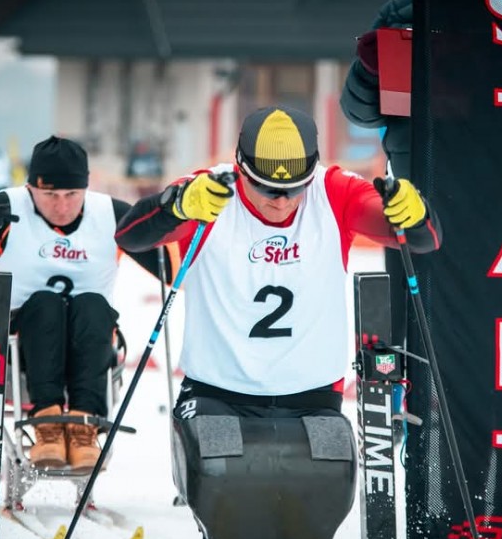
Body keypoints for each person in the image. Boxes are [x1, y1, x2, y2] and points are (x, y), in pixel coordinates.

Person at [340, 0, 502, 539]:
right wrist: (370, 69)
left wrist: (477, 65)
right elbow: (359, 110)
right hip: (422, 210)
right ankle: (449, 516)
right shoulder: (403, 8)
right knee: (431, 363)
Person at [115, 105, 441, 424]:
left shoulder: (334, 191)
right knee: (216, 474)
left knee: (330, 476)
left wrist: (414, 213)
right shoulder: (210, 191)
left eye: (294, 187)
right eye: (266, 187)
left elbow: (424, 240)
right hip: (215, 394)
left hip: (312, 396)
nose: (281, 200)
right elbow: (130, 236)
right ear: (240, 168)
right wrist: (177, 205)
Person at [0, 136, 164, 472]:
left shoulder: (110, 214)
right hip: (19, 345)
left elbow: (172, 268)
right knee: (44, 303)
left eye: (72, 195)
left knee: (92, 304)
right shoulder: (7, 209)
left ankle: (83, 427)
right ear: (30, 190)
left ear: (86, 189)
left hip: (88, 338)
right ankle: (47, 425)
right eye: (50, 195)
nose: (61, 206)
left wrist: (172, 218)